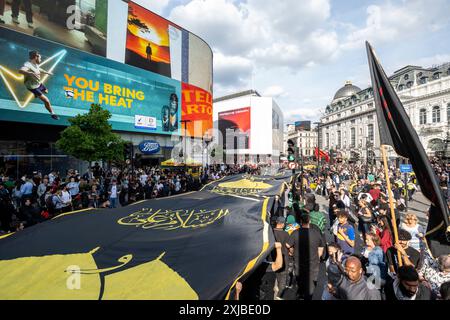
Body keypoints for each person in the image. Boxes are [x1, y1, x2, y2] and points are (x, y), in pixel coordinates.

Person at [286, 213, 325, 300]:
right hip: (313, 265)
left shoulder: (295, 233)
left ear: (300, 222)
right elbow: (321, 249)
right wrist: (316, 257)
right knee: (310, 288)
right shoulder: (316, 233)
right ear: (309, 222)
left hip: (299, 265)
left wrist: (292, 251)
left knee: (300, 284)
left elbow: (288, 245)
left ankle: (300, 295)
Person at [19, 51, 59, 120]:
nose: (41, 59)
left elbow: (39, 69)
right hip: (32, 87)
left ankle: (37, 94)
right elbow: (21, 70)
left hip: (38, 83)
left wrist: (46, 72)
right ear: (35, 57)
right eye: (40, 58)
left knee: (46, 91)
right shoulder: (28, 65)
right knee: (46, 100)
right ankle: (53, 114)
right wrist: (29, 73)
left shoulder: (36, 64)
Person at [272, 216, 290, 299]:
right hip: (284, 259)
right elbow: (289, 246)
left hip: (272, 259)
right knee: (282, 279)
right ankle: (279, 295)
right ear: (282, 224)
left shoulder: (271, 232)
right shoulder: (286, 234)